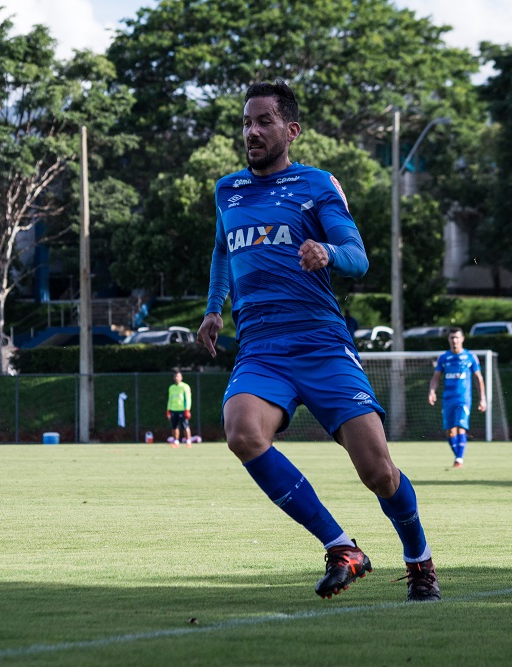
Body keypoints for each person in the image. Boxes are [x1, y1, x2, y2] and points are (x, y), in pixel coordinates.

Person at [196, 79, 440, 602]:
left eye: (263, 121)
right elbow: (222, 250)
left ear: (292, 130)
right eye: (246, 122)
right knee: (241, 432)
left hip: (322, 345)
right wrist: (214, 309)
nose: (252, 131)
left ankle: (419, 561)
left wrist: (327, 253)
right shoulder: (228, 190)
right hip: (262, 347)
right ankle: (341, 547)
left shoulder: (317, 185)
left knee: (377, 470)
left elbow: (358, 256)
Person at [428, 327, 486, 468]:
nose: (454, 340)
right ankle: (458, 457)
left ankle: (459, 459)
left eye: (457, 337)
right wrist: (432, 391)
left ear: (462, 339)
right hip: (448, 398)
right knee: (450, 431)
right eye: (452, 338)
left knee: (460, 427)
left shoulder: (470, 357)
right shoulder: (443, 358)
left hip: (463, 398)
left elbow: (478, 378)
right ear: (449, 340)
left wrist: (482, 398)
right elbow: (436, 377)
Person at [166, 369, 193, 447]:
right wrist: (168, 410)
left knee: (185, 426)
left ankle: (188, 441)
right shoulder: (171, 387)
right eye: (175, 376)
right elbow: (170, 399)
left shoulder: (185, 386)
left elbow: (188, 398)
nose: (176, 378)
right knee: (174, 426)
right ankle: (176, 441)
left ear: (181, 377)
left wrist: (187, 409)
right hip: (173, 410)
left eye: (177, 376)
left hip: (183, 410)